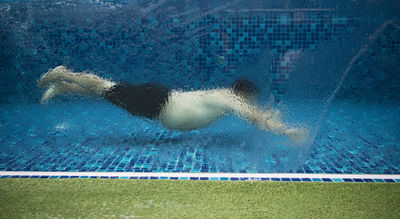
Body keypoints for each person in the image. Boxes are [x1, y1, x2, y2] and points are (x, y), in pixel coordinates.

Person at [38, 66, 307, 143]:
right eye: (251, 99)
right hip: (159, 103)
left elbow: (256, 115)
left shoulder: (226, 96)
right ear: (245, 95)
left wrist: (271, 116)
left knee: (108, 93)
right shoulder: (231, 99)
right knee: (107, 88)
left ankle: (65, 86)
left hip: (160, 104)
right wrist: (289, 132)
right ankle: (64, 73)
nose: (251, 103)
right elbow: (257, 118)